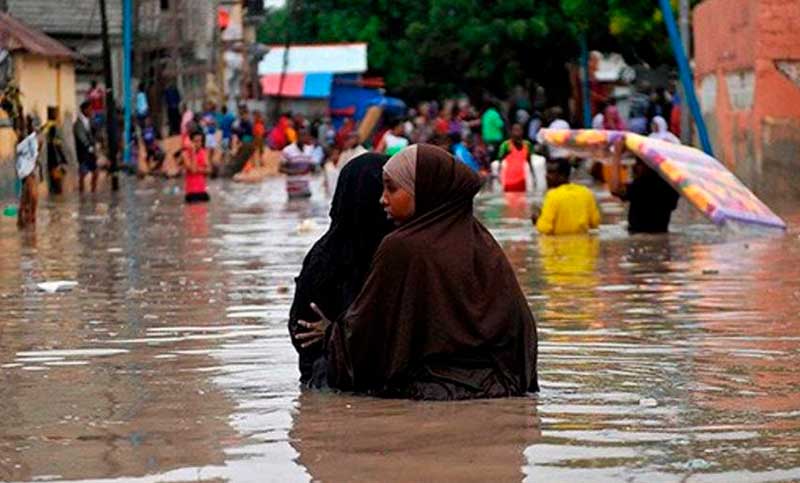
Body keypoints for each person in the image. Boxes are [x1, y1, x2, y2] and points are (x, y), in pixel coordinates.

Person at [299, 144, 539, 400]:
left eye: (392, 187)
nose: (382, 198)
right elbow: (522, 328)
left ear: (424, 190)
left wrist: (330, 334)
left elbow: (368, 331)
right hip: (503, 390)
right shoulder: (483, 242)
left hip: (430, 394)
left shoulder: (400, 246)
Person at [289, 153, 394, 386]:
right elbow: (303, 332)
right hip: (330, 380)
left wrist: (333, 333)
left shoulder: (396, 250)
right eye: (383, 189)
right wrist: (336, 337)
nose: (385, 200)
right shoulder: (326, 259)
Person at [609, 138, 680, 233]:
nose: (634, 167)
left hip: (637, 237)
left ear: (643, 165)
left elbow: (615, 189)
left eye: (637, 163)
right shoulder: (672, 187)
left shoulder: (642, 185)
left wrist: (617, 155)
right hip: (662, 234)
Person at [532, 159, 600, 235]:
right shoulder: (586, 193)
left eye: (552, 172)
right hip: (584, 244)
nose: (546, 176)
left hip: (556, 245)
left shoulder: (552, 196)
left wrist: (537, 220)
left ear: (563, 175)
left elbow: (545, 229)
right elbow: (595, 223)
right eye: (547, 172)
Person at [279, 128, 316, 199]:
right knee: (294, 208)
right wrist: (295, 172)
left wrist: (312, 167)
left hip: (306, 188)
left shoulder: (310, 149)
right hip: (293, 189)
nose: (304, 138)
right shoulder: (287, 150)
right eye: (302, 135)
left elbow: (313, 168)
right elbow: (280, 168)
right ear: (297, 136)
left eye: (305, 135)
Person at [497, 123, 533, 192]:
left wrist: (533, 178)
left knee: (522, 201)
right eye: (515, 130)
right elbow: (500, 163)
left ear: (522, 131)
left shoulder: (528, 145)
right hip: (509, 181)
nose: (517, 132)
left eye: (519, 130)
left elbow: (530, 162)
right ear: (511, 132)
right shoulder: (505, 145)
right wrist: (499, 178)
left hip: (522, 181)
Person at [41, 107, 68, 195]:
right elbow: (58, 144)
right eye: (56, 113)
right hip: (55, 158)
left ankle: (54, 195)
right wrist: (63, 158)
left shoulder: (45, 126)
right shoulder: (55, 126)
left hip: (49, 158)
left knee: (53, 181)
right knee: (58, 182)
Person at [74, 100, 98, 194]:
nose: (91, 111)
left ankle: (93, 192)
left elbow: (92, 134)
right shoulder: (78, 123)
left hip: (90, 151)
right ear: (84, 110)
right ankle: (82, 193)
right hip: (83, 152)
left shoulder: (89, 121)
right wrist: (88, 146)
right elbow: (81, 136)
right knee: (83, 174)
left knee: (95, 172)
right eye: (89, 109)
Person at [182, 130, 211, 203]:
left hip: (202, 190)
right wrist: (193, 152)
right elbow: (193, 170)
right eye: (196, 141)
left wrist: (199, 169)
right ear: (191, 142)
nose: (199, 143)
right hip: (191, 192)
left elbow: (209, 170)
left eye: (200, 141)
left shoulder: (204, 152)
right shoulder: (185, 154)